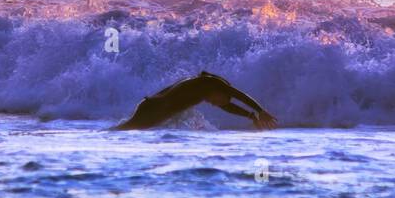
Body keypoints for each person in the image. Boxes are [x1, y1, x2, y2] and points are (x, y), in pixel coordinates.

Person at [115, 71, 278, 130]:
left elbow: (228, 106)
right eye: (217, 102)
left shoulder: (201, 87)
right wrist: (260, 110)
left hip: (151, 107)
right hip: (153, 111)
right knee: (123, 131)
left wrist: (250, 116)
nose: (214, 105)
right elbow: (237, 94)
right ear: (220, 92)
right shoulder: (209, 83)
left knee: (122, 130)